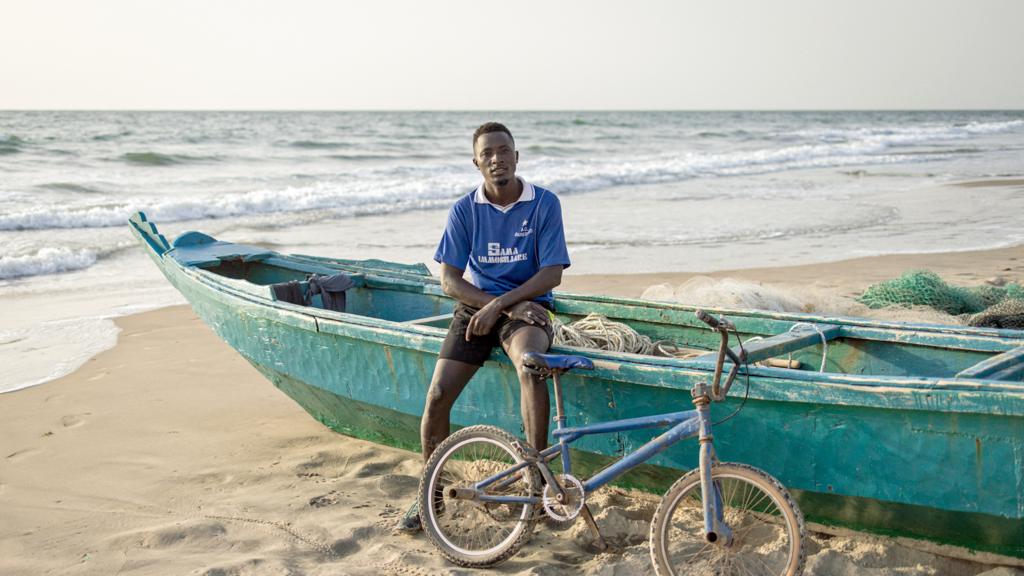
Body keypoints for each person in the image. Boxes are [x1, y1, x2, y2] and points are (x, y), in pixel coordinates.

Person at [397, 122, 571, 532]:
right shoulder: (464, 210)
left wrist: (503, 306)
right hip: (476, 308)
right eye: (488, 153)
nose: (497, 158)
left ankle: (539, 485)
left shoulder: (544, 203)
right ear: (476, 163)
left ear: (517, 156)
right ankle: (431, 496)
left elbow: (551, 275)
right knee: (438, 394)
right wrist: (490, 306)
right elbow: (450, 281)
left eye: (504, 150)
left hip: (528, 306)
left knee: (531, 365)